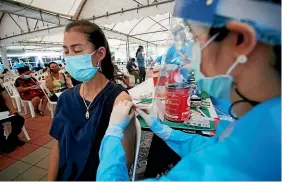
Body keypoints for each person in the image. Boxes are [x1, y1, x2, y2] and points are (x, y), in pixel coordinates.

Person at [96, 0, 281, 180]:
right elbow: (209, 145)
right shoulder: (263, 124)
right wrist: (164, 131)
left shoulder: (243, 161)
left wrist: (112, 134)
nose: (193, 56)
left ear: (241, 39)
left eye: (195, 39)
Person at [48, 20, 136, 181]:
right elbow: (58, 146)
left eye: (77, 50)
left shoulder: (119, 101)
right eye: (66, 51)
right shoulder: (66, 98)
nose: (70, 58)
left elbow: (123, 162)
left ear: (100, 54)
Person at [0, 86, 25, 153]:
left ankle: (12, 138)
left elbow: (5, 95)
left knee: (18, 119)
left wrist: (12, 109)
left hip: (4, 111)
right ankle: (3, 144)